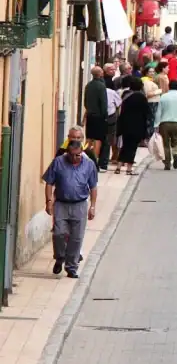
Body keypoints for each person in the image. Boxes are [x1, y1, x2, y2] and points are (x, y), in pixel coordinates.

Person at [42, 130, 97, 279]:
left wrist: (92, 206)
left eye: (78, 155)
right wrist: (48, 201)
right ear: (67, 152)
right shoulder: (59, 161)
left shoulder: (89, 164)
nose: (75, 158)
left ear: (82, 152)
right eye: (72, 155)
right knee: (59, 233)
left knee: (76, 238)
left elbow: (93, 186)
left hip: (80, 205)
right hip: (61, 203)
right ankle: (60, 257)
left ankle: (71, 267)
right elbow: (49, 182)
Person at [115, 77, 149, 176]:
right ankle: (129, 169)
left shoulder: (126, 95)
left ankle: (118, 167)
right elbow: (146, 112)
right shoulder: (142, 97)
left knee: (125, 146)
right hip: (137, 125)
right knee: (132, 148)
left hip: (125, 124)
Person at [156, 80, 177, 171]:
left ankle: (167, 163)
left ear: (168, 86)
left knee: (165, 144)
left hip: (164, 123)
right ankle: (176, 154)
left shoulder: (163, 97)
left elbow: (159, 112)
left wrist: (156, 124)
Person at [83, 66, 107, 168]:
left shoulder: (88, 85)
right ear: (100, 74)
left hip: (90, 114)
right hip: (99, 116)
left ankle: (84, 157)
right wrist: (104, 114)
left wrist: (88, 109)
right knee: (98, 139)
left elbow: (85, 101)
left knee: (88, 138)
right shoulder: (101, 86)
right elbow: (103, 102)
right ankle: (94, 160)